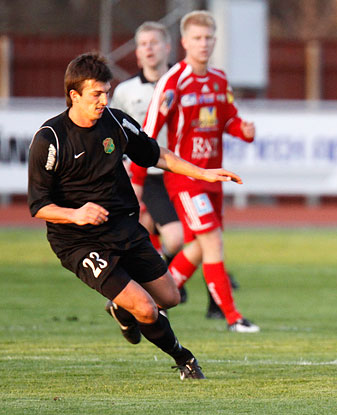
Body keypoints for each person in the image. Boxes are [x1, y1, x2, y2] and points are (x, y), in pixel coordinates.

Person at [27, 52, 244, 379]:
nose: (104, 100)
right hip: (76, 240)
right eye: (96, 94)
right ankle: (184, 358)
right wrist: (76, 214)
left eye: (107, 92)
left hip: (122, 226)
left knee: (169, 297)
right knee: (144, 306)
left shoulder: (116, 122)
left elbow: (159, 155)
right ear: (74, 95)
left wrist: (204, 174)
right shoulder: (50, 139)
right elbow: (38, 205)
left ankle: (120, 309)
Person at [143, 10, 259, 333]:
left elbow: (228, 119)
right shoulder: (173, 81)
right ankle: (233, 318)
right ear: (184, 42)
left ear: (215, 41)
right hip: (185, 178)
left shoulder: (220, 80)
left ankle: (152, 302)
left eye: (208, 38)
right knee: (213, 242)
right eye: (197, 38)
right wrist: (138, 179)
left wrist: (243, 129)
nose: (203, 44)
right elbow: (148, 132)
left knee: (196, 248)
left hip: (214, 178)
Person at [111, 21, 234, 319]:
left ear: (168, 47)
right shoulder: (127, 91)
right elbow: (118, 132)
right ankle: (219, 309)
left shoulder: (180, 80)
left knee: (191, 241)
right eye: (143, 44)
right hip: (147, 174)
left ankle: (162, 286)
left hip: (176, 170)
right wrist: (130, 175)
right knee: (192, 238)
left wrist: (240, 127)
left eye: (154, 43)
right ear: (138, 52)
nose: (149, 49)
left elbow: (221, 116)